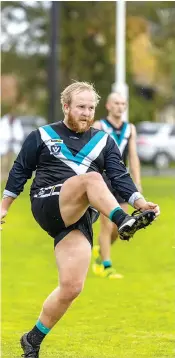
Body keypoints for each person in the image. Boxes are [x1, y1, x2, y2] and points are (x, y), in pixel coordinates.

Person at [0, 82, 160, 358]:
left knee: (72, 286)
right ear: (66, 107)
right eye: (80, 107)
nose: (86, 113)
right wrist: (4, 207)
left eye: (90, 108)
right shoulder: (42, 135)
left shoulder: (103, 141)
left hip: (79, 215)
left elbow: (120, 177)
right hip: (48, 202)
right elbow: (19, 172)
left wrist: (140, 202)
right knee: (92, 179)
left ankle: (32, 339)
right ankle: (122, 221)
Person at [92, 92, 142, 279]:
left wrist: (137, 183)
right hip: (102, 180)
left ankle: (100, 254)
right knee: (106, 225)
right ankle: (107, 266)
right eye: (116, 103)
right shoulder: (99, 126)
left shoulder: (130, 129)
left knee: (120, 226)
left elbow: (134, 157)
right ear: (108, 105)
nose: (120, 107)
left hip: (121, 180)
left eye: (123, 103)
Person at [0, 113, 24, 180]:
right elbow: (2, 134)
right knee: (4, 161)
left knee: (13, 161)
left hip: (14, 145)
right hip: (5, 144)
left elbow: (20, 134)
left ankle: (10, 175)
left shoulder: (17, 123)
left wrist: (15, 138)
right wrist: (8, 138)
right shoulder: (3, 122)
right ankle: (3, 174)